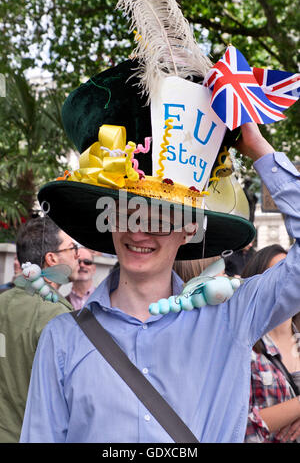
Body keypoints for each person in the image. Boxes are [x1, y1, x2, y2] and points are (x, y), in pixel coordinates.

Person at [19, 122, 300, 443]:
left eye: (160, 217)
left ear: (188, 230)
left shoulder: (231, 318)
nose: (140, 231)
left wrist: (260, 150)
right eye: (129, 213)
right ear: (110, 220)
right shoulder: (62, 340)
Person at [0, 216, 79, 443]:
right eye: (72, 247)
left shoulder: (4, 301)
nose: (77, 254)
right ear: (52, 259)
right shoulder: (57, 316)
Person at [242, 244, 300, 443]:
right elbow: (242, 425)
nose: (289, 284)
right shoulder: (244, 347)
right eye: (280, 275)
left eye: (295, 275)